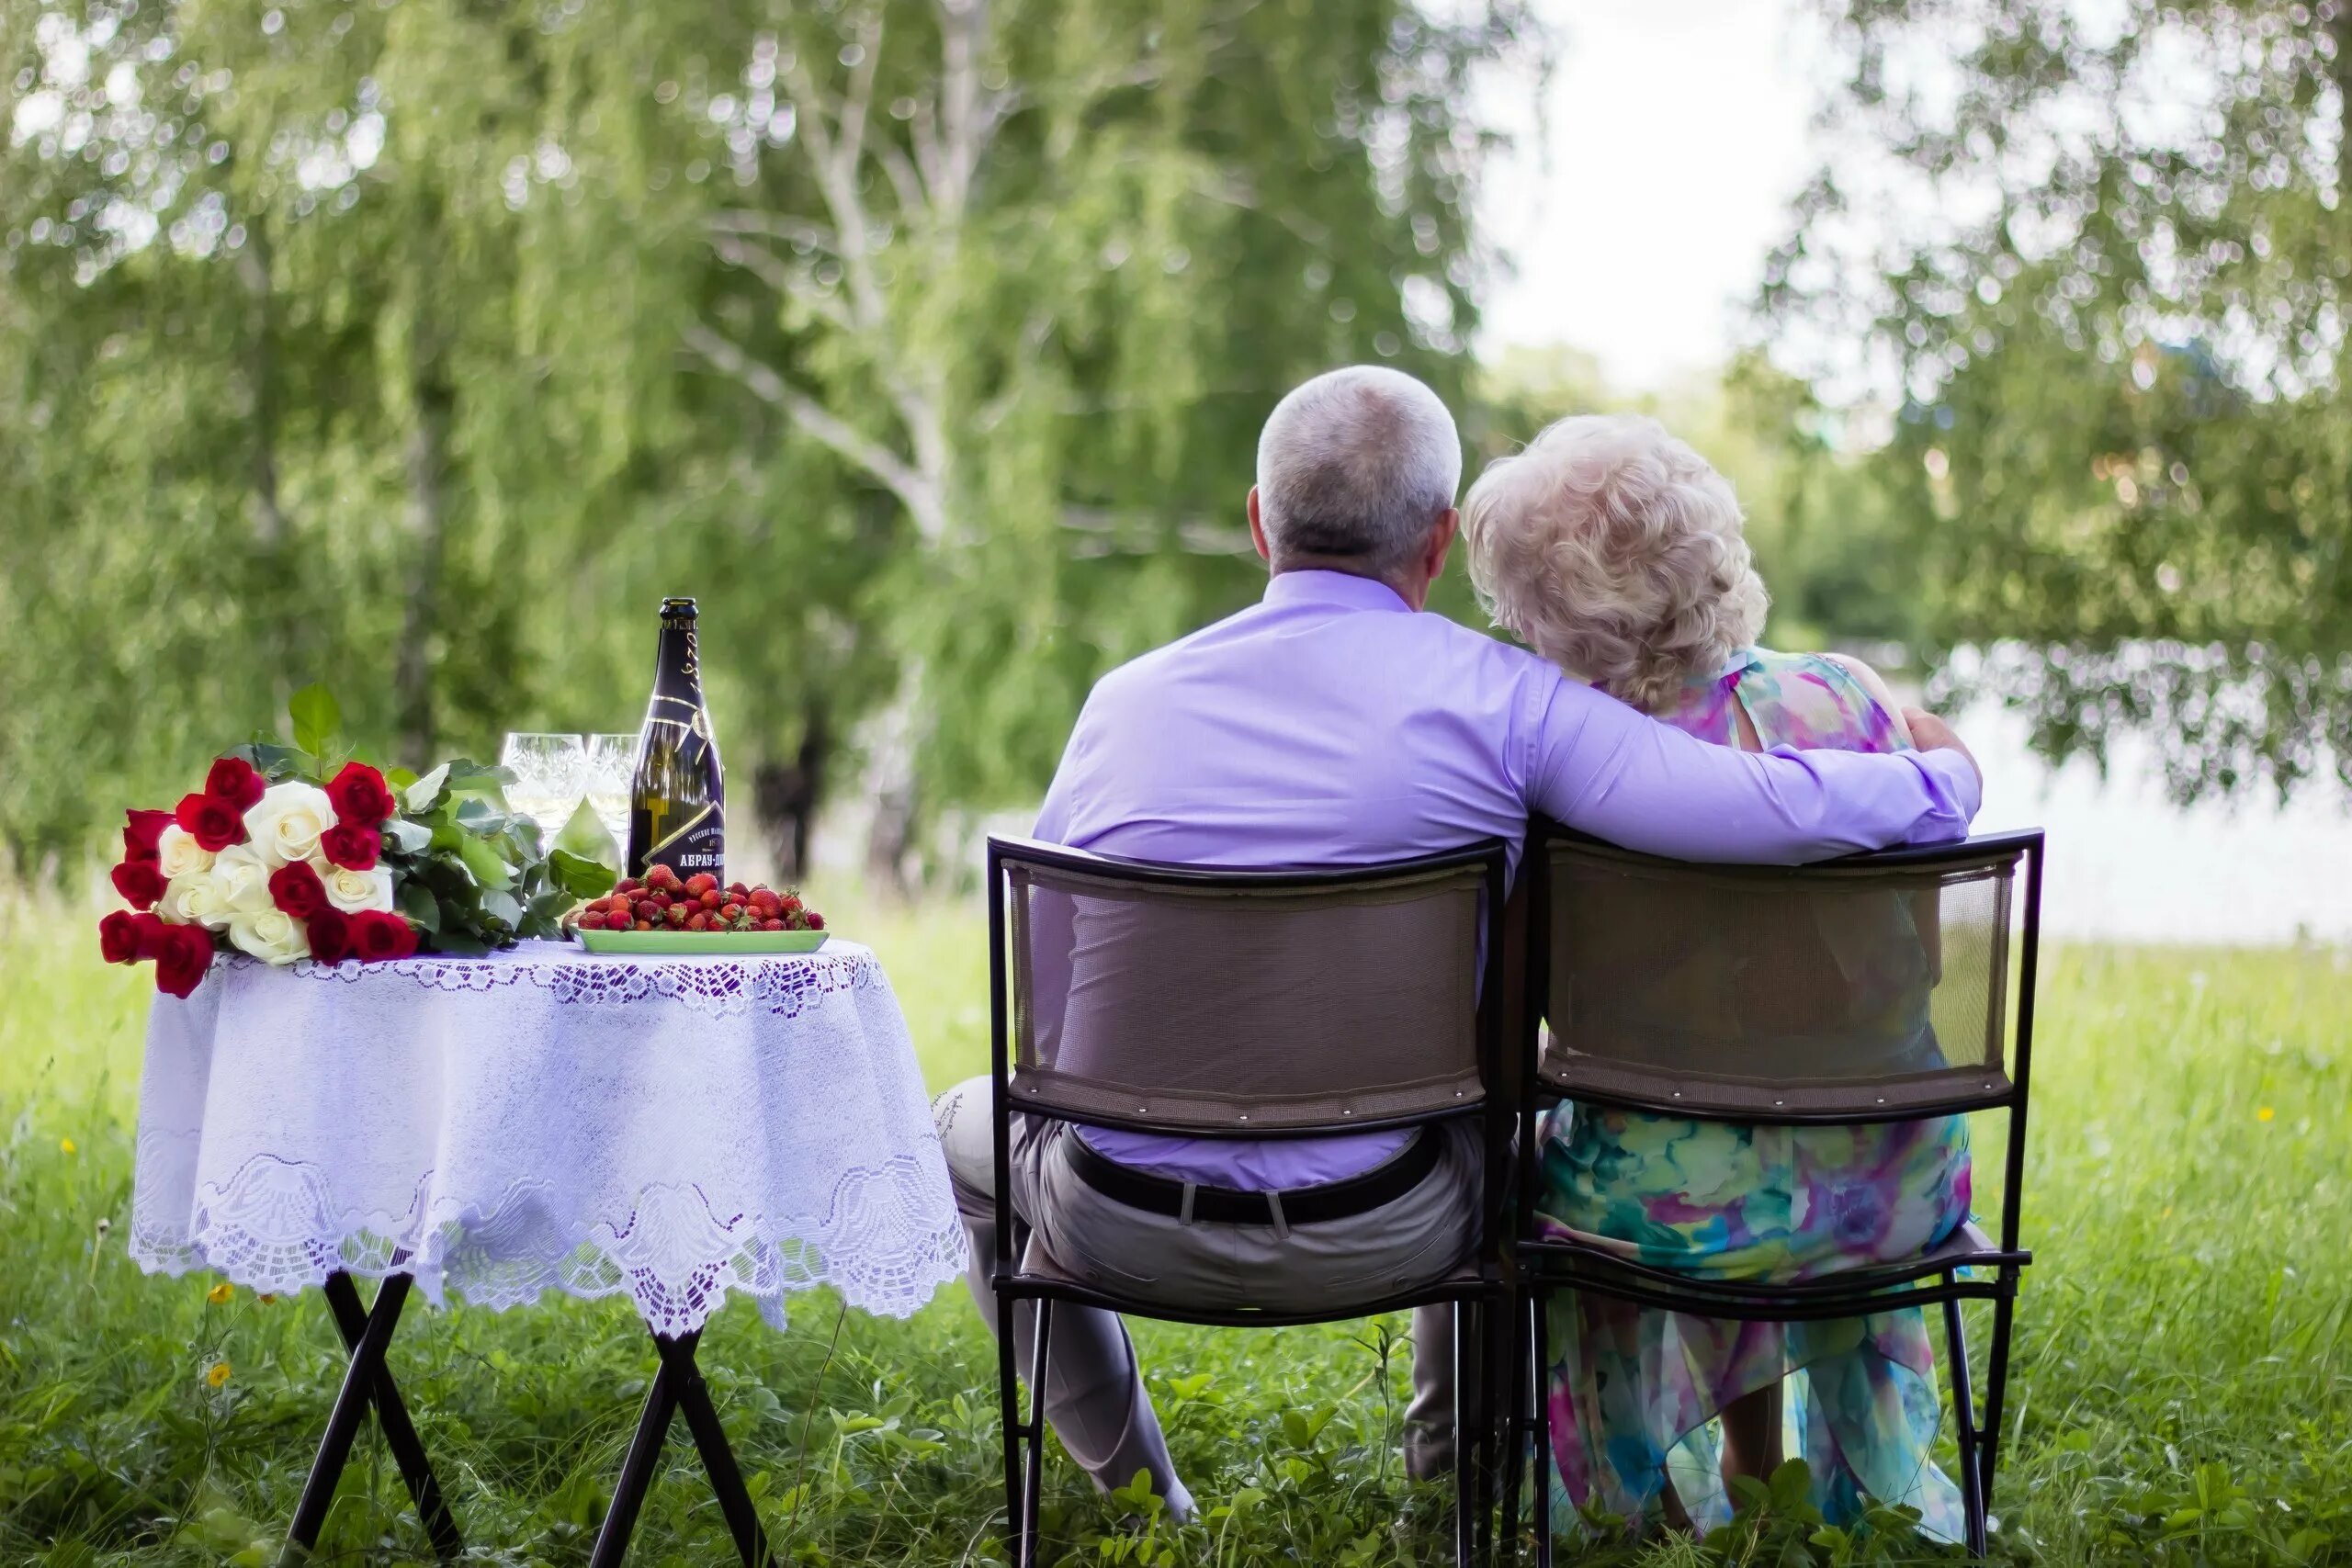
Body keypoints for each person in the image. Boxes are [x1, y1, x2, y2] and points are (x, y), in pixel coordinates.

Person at [929, 369, 1984, 1524]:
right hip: (1396, 1223)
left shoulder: (1117, 707)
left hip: (1114, 1216)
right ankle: (1454, 1478)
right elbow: (1753, 808)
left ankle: (1139, 1490)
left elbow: (1044, 1033)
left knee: (961, 1129)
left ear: (1256, 521)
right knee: (1493, 1127)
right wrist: (1942, 777)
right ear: (1437, 542)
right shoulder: (1510, 705)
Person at [1460, 412, 1974, 1541]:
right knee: (1748, 1123)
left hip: (1657, 1214)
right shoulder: (1849, 702)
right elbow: (1922, 960)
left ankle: (1640, 1503)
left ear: (1545, 610)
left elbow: (1527, 1029)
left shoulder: (1564, 770)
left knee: (1671, 1139)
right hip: (1887, 1184)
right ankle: (1773, 1476)